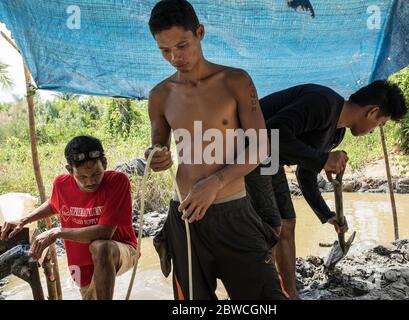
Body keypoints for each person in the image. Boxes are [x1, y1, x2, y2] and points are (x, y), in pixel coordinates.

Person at [145, 0, 287, 300]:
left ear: (200, 32)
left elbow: (261, 145)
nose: (174, 57)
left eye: (182, 45)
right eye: (164, 50)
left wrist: (216, 182)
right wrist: (156, 156)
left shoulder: (235, 80)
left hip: (233, 210)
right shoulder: (160, 95)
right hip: (183, 216)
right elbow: (158, 146)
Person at [245, 81, 407, 299]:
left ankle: (290, 293)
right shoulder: (323, 103)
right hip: (246, 149)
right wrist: (322, 159)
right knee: (272, 227)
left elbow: (305, 172)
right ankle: (261, 294)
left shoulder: (337, 132)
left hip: (269, 158)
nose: (373, 132)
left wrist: (327, 214)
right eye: (380, 124)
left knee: (288, 224)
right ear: (373, 111)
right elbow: (273, 130)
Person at [0, 135, 138, 300]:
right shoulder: (61, 184)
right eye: (82, 177)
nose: (90, 182)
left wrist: (56, 232)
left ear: (105, 164)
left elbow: (105, 233)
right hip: (81, 262)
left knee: (101, 247)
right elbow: (54, 204)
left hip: (121, 250)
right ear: (69, 170)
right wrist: (24, 220)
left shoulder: (117, 181)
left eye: (96, 174)